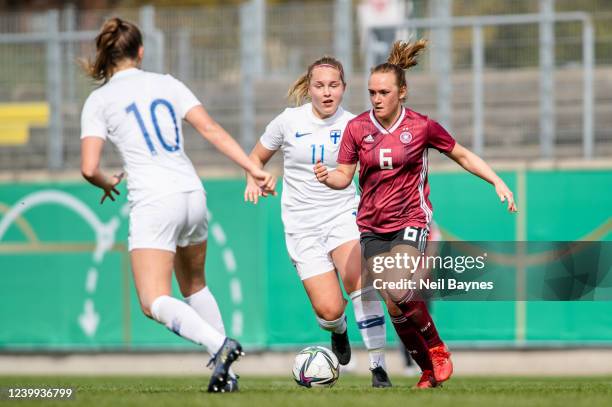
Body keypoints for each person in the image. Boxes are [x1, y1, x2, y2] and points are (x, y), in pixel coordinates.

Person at [79, 17, 275, 393]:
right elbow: (211, 129)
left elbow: (89, 167)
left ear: (106, 54)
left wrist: (106, 181)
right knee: (195, 285)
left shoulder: (100, 99)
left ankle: (220, 345)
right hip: (192, 194)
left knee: (153, 300)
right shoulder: (167, 84)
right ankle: (226, 375)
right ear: (140, 51)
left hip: (155, 200)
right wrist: (254, 168)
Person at [314, 40, 517, 388]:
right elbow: (343, 177)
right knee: (394, 306)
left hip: (411, 219)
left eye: (384, 92)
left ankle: (437, 349)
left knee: (397, 284)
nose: (376, 99)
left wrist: (496, 180)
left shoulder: (421, 127)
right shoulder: (357, 129)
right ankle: (426, 369)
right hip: (372, 227)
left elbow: (463, 155)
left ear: (402, 93)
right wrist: (326, 176)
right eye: (371, 92)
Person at [244, 57, 392, 387]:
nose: (327, 93)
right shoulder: (287, 121)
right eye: (320, 85)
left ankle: (378, 368)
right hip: (301, 226)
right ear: (309, 87)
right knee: (328, 310)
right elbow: (255, 158)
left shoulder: (357, 125)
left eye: (333, 85)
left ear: (344, 88)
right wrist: (254, 178)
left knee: (359, 280)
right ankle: (338, 332)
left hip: (342, 215)